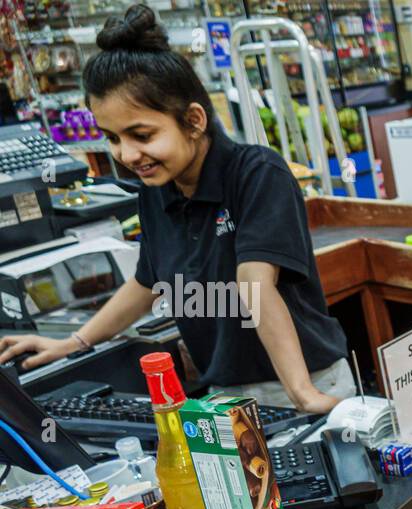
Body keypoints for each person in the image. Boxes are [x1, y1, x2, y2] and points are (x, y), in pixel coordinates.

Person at [0, 4, 352, 413]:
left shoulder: (257, 173)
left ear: (194, 120)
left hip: (307, 381)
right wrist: (74, 341)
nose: (127, 154)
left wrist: (302, 393)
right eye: (112, 138)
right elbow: (148, 282)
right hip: (227, 394)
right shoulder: (156, 189)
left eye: (142, 134)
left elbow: (254, 281)